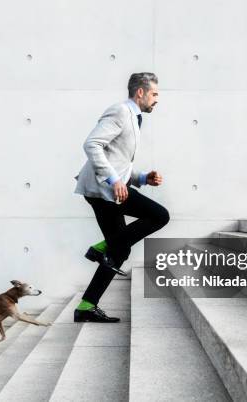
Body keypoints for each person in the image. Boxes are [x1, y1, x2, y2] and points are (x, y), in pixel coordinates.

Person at [72, 72, 170, 323]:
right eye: (154, 93)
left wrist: (142, 177)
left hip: (113, 189)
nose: (157, 99)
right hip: (102, 190)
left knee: (120, 248)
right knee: (159, 216)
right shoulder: (120, 112)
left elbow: (117, 158)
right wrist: (114, 180)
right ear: (140, 92)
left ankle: (86, 306)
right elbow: (92, 144)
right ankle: (101, 248)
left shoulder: (134, 117)